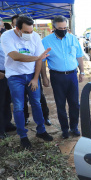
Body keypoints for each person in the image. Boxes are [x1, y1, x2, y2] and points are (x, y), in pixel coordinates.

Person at [1, 16, 53, 149]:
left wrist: (36, 78)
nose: (30, 35)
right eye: (26, 32)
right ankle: (23, 136)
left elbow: (39, 61)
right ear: (17, 29)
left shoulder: (35, 36)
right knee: (18, 106)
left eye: (31, 31)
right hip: (15, 76)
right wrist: (37, 57)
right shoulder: (7, 36)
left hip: (31, 75)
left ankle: (41, 131)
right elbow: (15, 56)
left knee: (36, 102)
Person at [41, 15, 85, 139]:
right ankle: (64, 129)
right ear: (53, 28)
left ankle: (74, 127)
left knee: (74, 104)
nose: (63, 29)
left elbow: (79, 56)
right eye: (60, 28)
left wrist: (82, 72)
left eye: (65, 27)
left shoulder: (73, 39)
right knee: (60, 104)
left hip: (72, 75)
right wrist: (44, 77)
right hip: (57, 77)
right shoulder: (46, 41)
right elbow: (42, 61)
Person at [0, 18, 16, 139]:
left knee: (7, 101)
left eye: (1, 26)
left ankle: (7, 124)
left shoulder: (4, 38)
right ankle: (0, 130)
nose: (2, 28)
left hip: (8, 73)